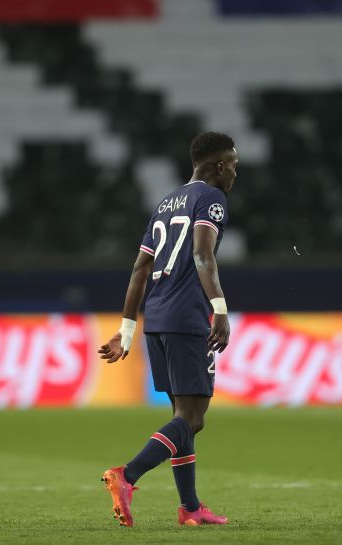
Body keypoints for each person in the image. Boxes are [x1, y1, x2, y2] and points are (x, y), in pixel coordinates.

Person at [98, 132, 237, 527]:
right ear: (221, 165)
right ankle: (128, 475)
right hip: (186, 317)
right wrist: (220, 310)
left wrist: (126, 330)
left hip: (156, 320)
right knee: (192, 418)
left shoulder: (165, 202)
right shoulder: (211, 198)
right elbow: (201, 254)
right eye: (235, 165)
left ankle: (190, 508)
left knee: (181, 416)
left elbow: (141, 269)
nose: (235, 174)